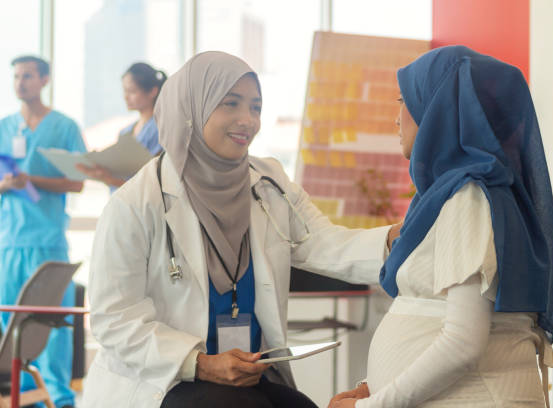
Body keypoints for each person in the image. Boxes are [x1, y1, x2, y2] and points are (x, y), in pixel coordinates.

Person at [83, 51, 402, 408]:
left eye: (255, 107)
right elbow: (114, 320)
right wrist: (199, 363)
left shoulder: (268, 183)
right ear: (191, 108)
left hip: (247, 376)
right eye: (231, 104)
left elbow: (320, 242)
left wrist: (392, 240)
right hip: (165, 379)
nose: (247, 120)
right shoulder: (136, 204)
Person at [328, 45, 553, 408]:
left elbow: (463, 343)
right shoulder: (463, 193)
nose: (397, 117)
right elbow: (434, 317)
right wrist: (376, 385)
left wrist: (368, 407)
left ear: (440, 112)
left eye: (404, 100)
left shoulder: (469, 197)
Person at [0, 55, 87, 408]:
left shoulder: (64, 127)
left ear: (45, 79)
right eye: (16, 76)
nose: (21, 82)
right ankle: (23, 398)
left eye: (28, 76)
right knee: (9, 327)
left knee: (52, 326)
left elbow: (78, 183)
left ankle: (60, 399)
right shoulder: (4, 126)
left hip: (48, 241)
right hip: (9, 242)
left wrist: (31, 180)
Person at [76, 62, 166, 187]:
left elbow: (153, 181)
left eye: (132, 91)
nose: (126, 97)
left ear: (152, 91)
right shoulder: (126, 132)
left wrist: (109, 179)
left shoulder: (161, 128)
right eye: (124, 91)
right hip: (124, 201)